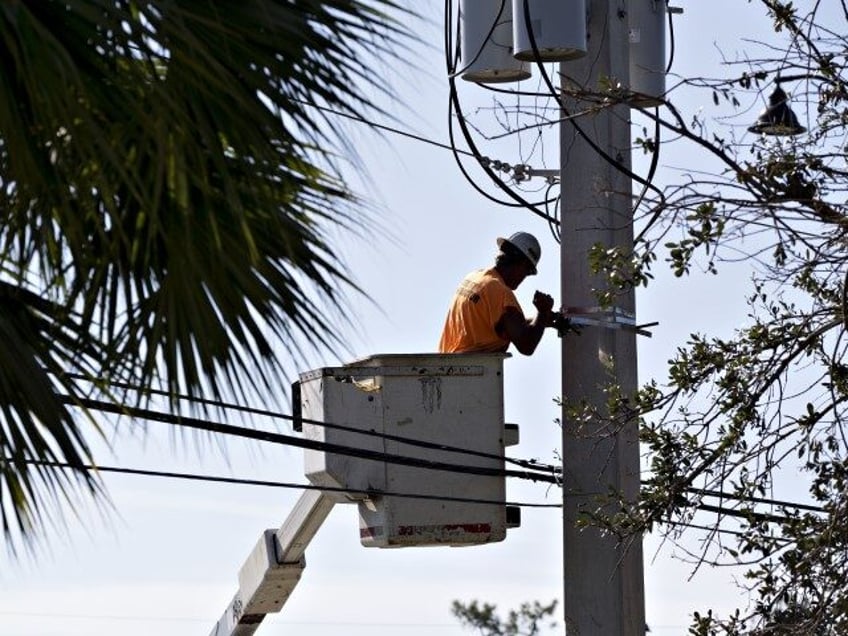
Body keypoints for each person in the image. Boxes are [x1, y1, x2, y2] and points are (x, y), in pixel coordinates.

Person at [438, 231, 556, 355]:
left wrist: (539, 321)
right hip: (474, 370)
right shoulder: (502, 294)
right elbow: (526, 345)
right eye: (528, 271)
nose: (525, 276)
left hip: (447, 367)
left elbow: (500, 324)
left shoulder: (475, 278)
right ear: (521, 263)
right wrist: (542, 313)